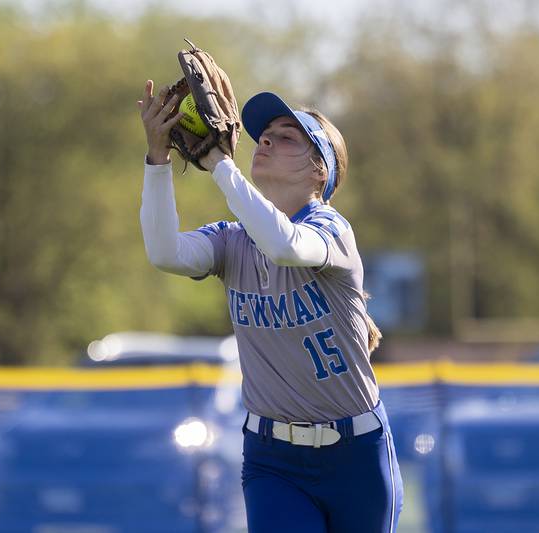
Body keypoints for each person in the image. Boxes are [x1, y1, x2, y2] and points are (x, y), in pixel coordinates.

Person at [138, 81, 403, 532]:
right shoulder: (231, 240)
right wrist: (157, 160)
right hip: (273, 460)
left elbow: (284, 245)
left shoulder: (330, 230)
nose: (266, 139)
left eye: (287, 136)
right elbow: (165, 252)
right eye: (264, 133)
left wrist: (220, 164)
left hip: (355, 456)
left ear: (320, 171)